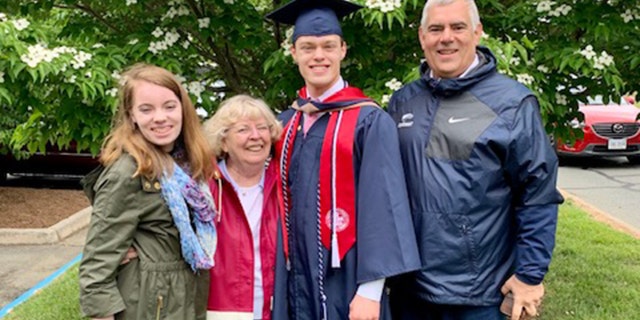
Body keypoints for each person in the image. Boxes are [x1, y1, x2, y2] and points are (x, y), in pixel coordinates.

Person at [386, 1, 565, 319]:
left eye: (458, 27)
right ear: (422, 36)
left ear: (477, 32)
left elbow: (537, 195)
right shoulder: (403, 102)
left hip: (480, 295)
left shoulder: (511, 104)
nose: (446, 38)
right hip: (408, 288)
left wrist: (529, 275)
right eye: (436, 29)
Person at [266, 1, 421, 319]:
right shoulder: (284, 123)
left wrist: (370, 292)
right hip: (293, 275)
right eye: (308, 47)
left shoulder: (368, 120)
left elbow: (385, 206)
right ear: (293, 52)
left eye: (328, 46)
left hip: (349, 277)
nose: (318, 55)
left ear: (343, 50)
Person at [79, 63, 217, 320]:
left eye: (169, 106)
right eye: (146, 109)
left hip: (183, 297)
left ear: (183, 109)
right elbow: (98, 262)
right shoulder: (129, 172)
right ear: (131, 115)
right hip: (148, 304)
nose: (160, 117)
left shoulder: (186, 165)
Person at [202, 94, 288, 320]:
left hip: (277, 310)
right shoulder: (202, 189)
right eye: (242, 130)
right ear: (223, 142)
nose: (256, 136)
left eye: (262, 128)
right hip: (218, 312)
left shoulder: (285, 188)